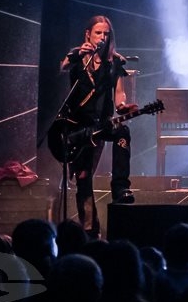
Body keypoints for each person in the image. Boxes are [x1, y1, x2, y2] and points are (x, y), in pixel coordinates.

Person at [57, 15, 136, 238]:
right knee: (83, 177)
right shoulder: (77, 56)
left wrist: (123, 106)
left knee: (122, 131)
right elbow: (62, 67)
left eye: (106, 34)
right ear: (88, 34)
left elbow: (119, 95)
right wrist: (76, 54)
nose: (102, 37)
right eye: (98, 33)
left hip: (102, 123)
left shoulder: (115, 63)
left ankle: (120, 187)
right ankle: (90, 230)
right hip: (78, 126)